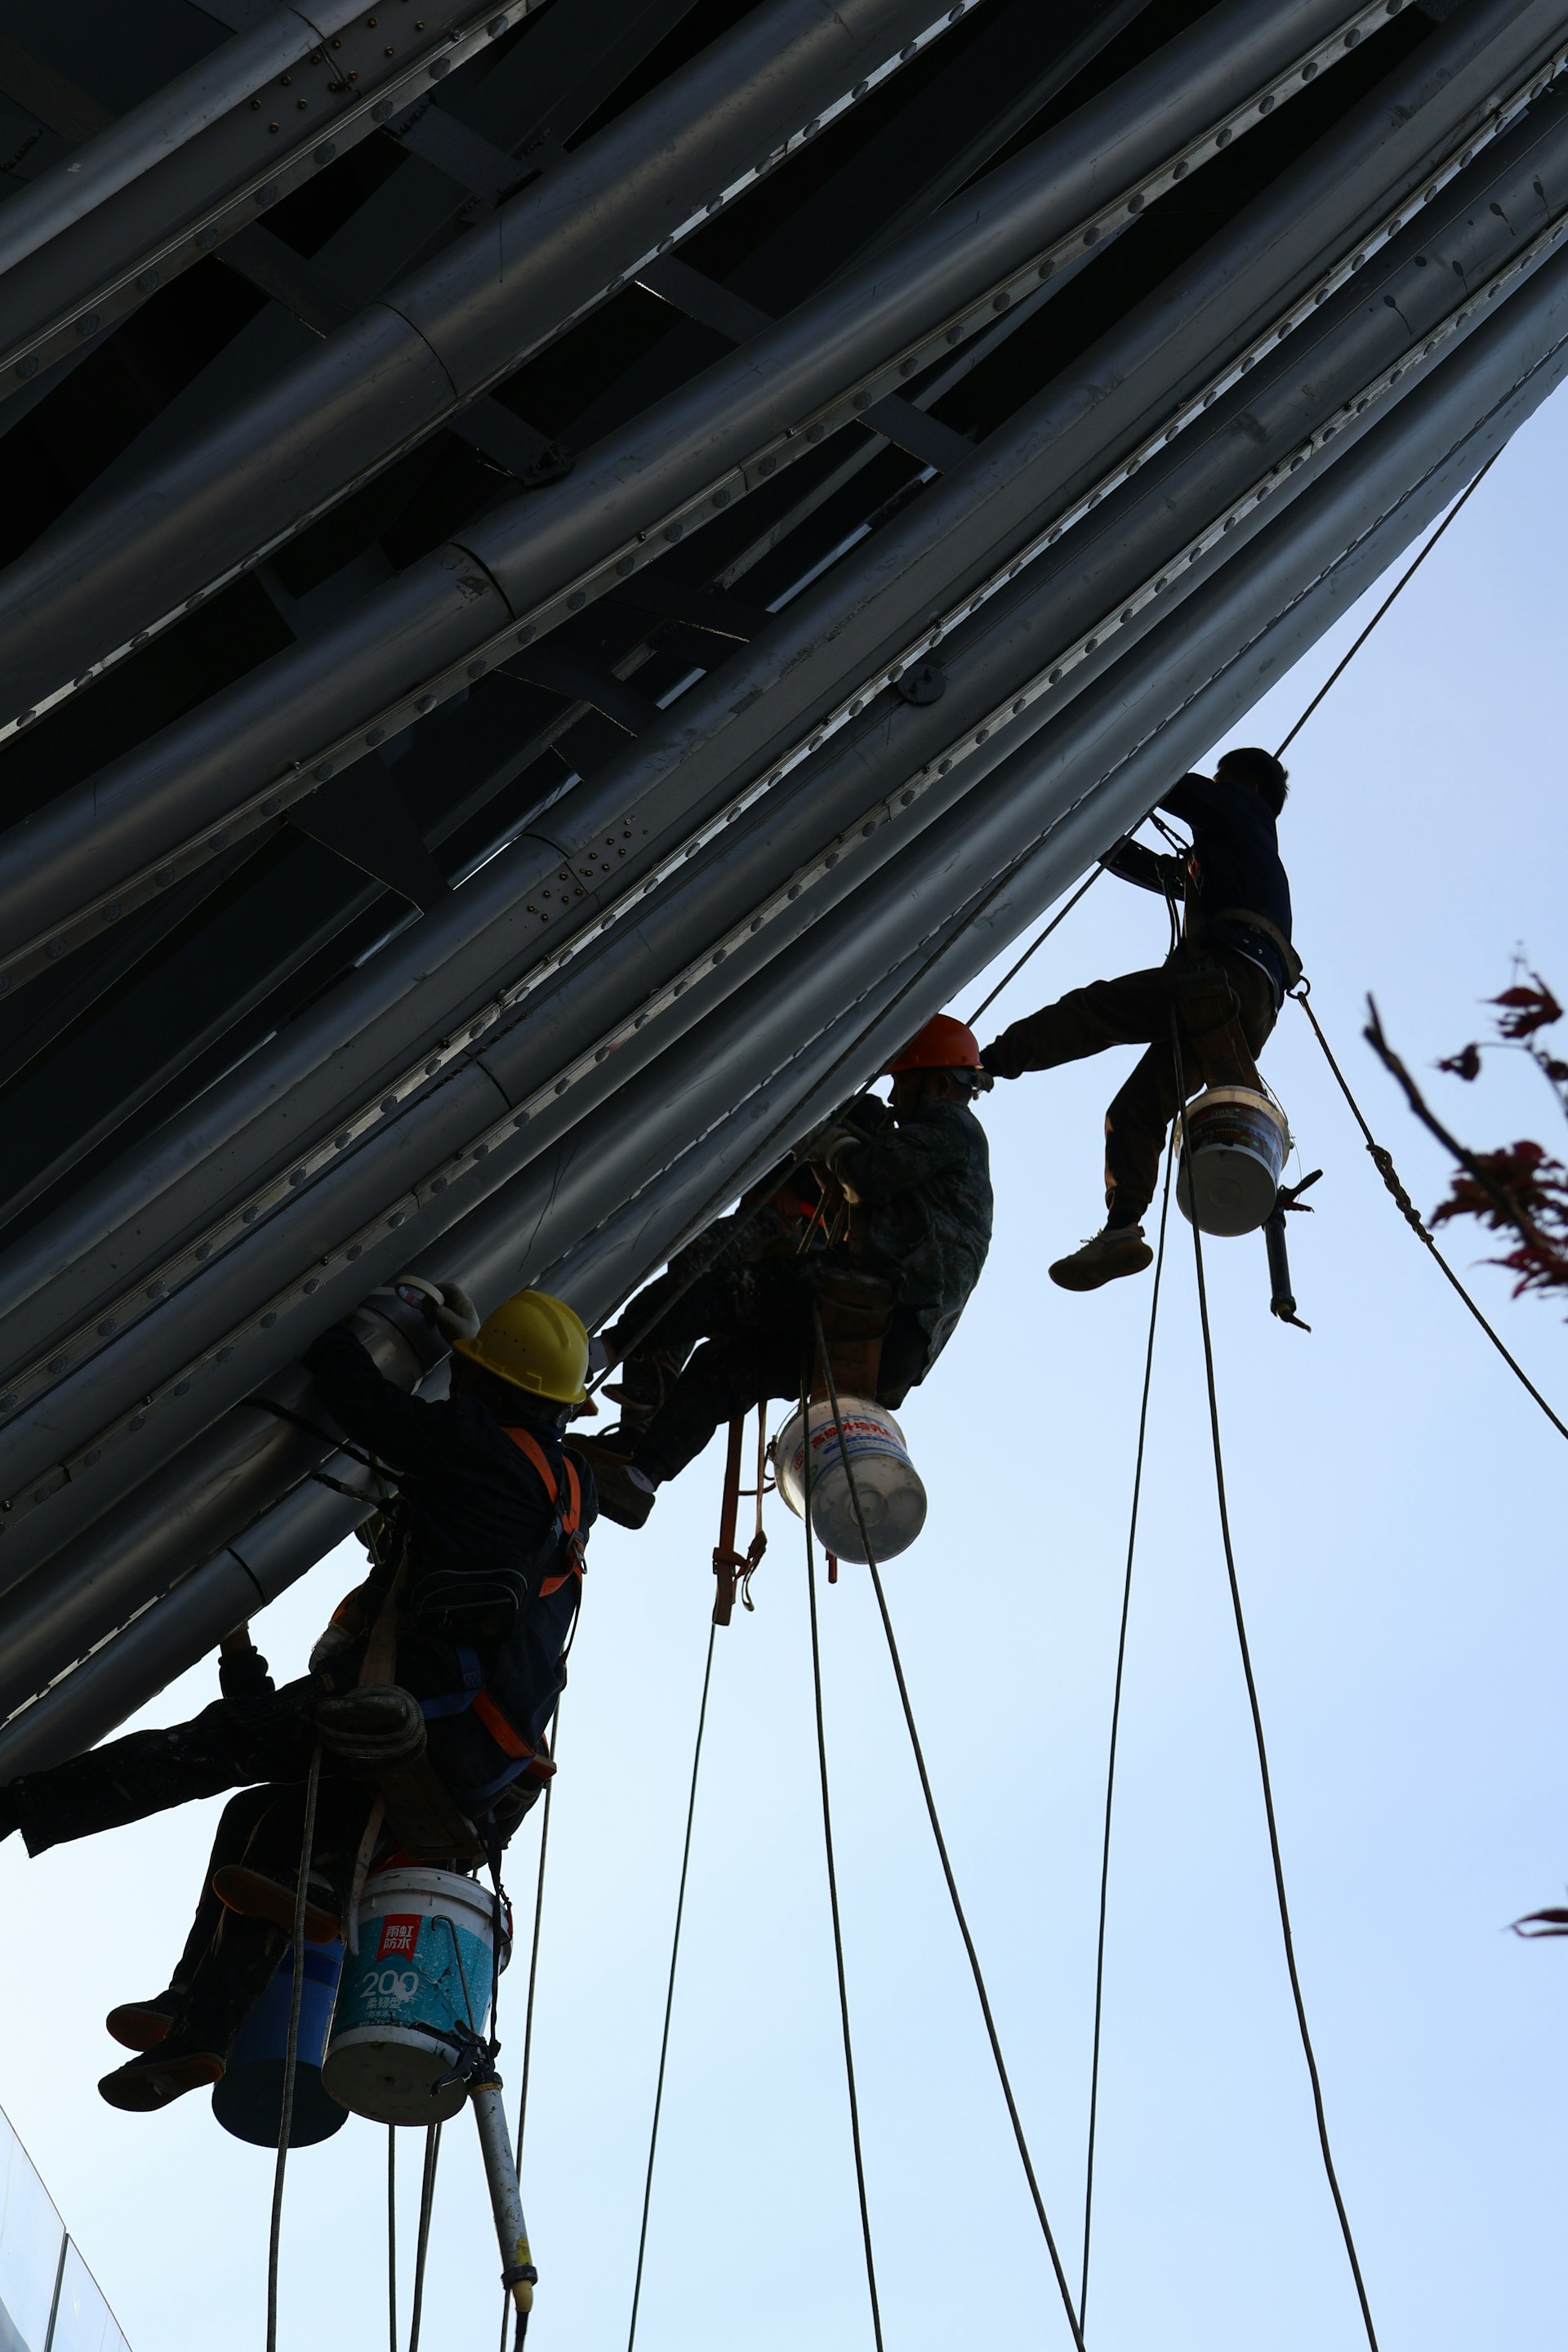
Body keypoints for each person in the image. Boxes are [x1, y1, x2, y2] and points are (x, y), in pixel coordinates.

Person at [0, 1282, 595, 2114]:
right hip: (484, 1762)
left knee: (211, 1747)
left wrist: (334, 1325)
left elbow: (368, 1408)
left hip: (419, 1717)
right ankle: (199, 2028)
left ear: (488, 1385)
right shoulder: (570, 1489)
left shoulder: (471, 1443)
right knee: (262, 1827)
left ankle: (18, 1804)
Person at [577, 1015, 993, 1528]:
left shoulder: (953, 1127)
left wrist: (829, 1142)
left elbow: (869, 1175)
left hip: (877, 1304)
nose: (892, 1098)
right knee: (727, 1367)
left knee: (722, 1292)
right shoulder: (949, 1164)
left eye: (900, 1082)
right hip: (893, 1350)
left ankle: (591, 1356)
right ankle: (638, 1481)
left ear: (938, 1083)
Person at [981, 746, 1297, 1290]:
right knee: (1135, 1112)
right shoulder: (1238, 856)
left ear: (1241, 784)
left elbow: (1166, 777)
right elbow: (1158, 870)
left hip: (1224, 975)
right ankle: (1122, 1227)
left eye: (1222, 781)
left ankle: (983, 1065)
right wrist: (1095, 836)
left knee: (1094, 1012)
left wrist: (1100, 756)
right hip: (1250, 1009)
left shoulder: (1240, 813)